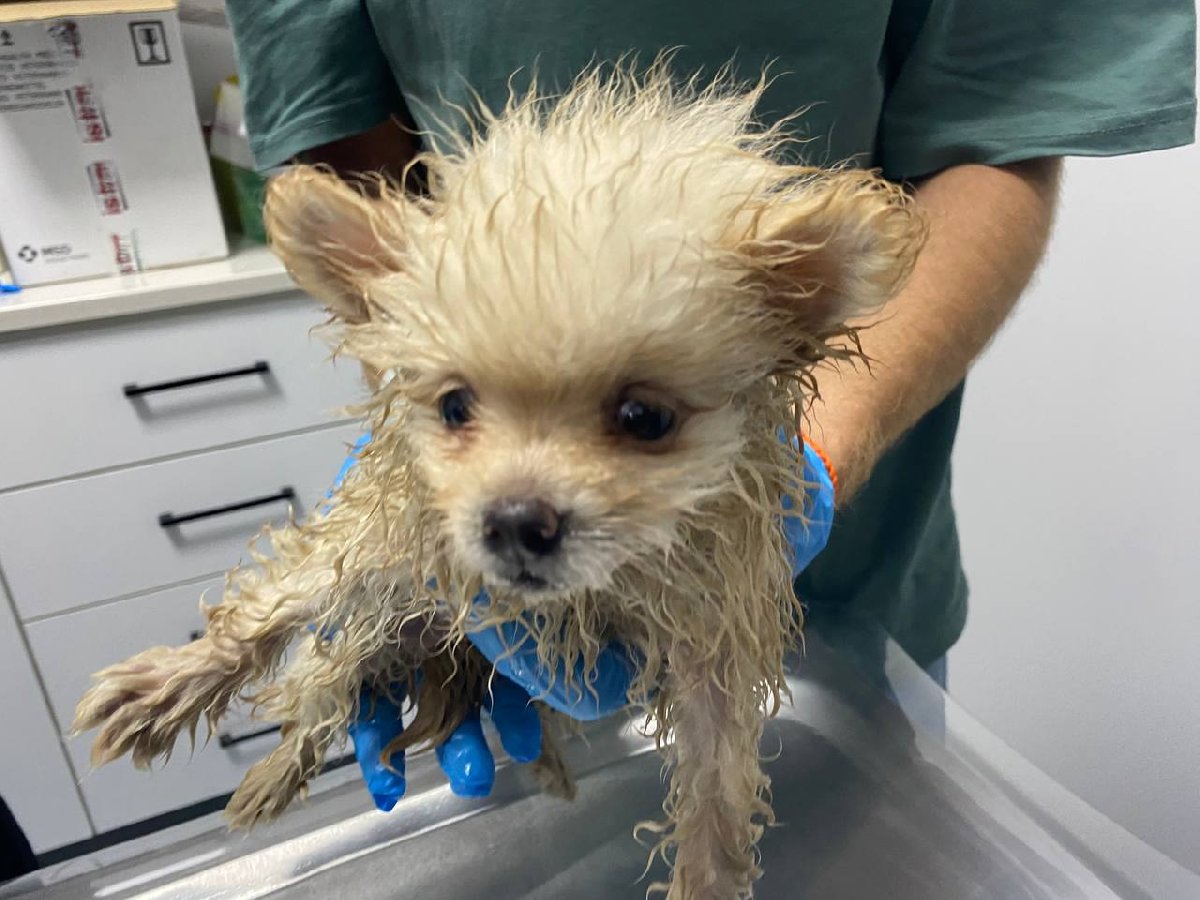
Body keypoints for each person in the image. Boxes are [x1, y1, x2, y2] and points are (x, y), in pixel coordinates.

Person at [224, 1, 1196, 807]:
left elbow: (1004, 122)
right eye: (464, 410)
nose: (525, 496)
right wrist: (423, 437)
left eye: (639, 420)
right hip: (503, 638)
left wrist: (812, 457)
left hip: (848, 594)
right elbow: (342, 147)